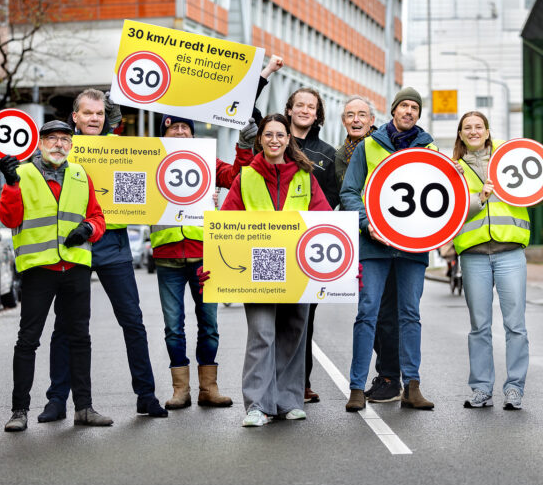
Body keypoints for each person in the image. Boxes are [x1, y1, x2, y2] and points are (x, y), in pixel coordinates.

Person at [39, 89, 166, 423]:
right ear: (75, 117)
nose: (94, 119)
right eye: (87, 113)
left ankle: (146, 395)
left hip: (113, 245)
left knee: (133, 321)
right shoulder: (60, 149)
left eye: (99, 113)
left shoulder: (119, 147)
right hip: (73, 245)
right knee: (66, 325)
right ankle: (57, 400)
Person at [219, 113, 332, 426]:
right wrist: (213, 266)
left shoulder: (305, 176)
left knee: (293, 334)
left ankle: (288, 401)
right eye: (268, 135)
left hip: (298, 268)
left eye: (280, 135)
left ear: (288, 139)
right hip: (257, 268)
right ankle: (257, 405)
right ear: (260, 139)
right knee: (262, 334)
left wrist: (341, 268)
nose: (274, 140)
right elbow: (227, 223)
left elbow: (324, 220)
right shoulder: (246, 177)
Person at [0, 119, 110, 431]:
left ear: (71, 146)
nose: (59, 144)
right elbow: (10, 218)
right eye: (52, 139)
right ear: (40, 142)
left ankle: (84, 408)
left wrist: (89, 228)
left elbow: (97, 216)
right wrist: (10, 184)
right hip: (39, 269)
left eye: (65, 139)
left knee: (80, 338)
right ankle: (19, 411)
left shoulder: (80, 174)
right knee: (28, 340)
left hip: (74, 268)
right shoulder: (21, 173)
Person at [451, 111, 543, 410]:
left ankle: (514, 388)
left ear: (487, 131)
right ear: (460, 135)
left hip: (510, 251)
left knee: (516, 325)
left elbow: (535, 195)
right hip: (473, 254)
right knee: (479, 326)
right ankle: (482, 389)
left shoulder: (510, 157)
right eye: (467, 128)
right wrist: (480, 198)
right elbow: (454, 213)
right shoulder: (453, 169)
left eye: (478, 127)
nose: (473, 132)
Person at [340, 87, 438, 412]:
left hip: (413, 247)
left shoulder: (430, 148)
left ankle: (412, 386)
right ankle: (356, 387)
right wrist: (368, 224)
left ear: (418, 114)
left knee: (411, 315)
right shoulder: (369, 145)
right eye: (404, 105)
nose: (409, 111)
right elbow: (350, 192)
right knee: (367, 313)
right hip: (374, 244)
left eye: (414, 107)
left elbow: (441, 196)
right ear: (393, 110)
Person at [152, 114, 254, 411]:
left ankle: (209, 388)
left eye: (186, 127)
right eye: (174, 128)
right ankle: (180, 389)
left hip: (205, 255)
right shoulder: (151, 161)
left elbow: (239, 174)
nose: (181, 131)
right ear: (164, 134)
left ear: (193, 134)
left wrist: (245, 141)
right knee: (174, 327)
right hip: (167, 255)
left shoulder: (209, 161)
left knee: (209, 324)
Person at [334, 96, 402, 403]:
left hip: (387, 242)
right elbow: (336, 195)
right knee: (369, 311)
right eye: (351, 115)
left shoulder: (385, 145)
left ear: (372, 119)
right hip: (355, 242)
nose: (357, 119)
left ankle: (390, 375)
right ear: (344, 121)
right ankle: (383, 375)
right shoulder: (337, 155)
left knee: (389, 312)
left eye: (362, 114)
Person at [284, 87, 340, 404]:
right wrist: (265, 76)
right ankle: (278, 379)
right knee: (273, 316)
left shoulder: (327, 154)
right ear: (289, 110)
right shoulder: (274, 139)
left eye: (312, 106)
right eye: (300, 105)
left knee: (305, 317)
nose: (305, 110)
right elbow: (248, 112)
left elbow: (332, 199)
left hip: (308, 243)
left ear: (318, 114)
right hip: (274, 240)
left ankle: (302, 382)